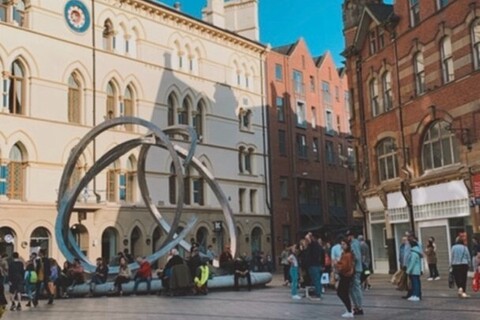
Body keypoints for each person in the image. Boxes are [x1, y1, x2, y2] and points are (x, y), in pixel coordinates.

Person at [346, 230, 364, 315]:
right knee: (353, 288)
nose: (347, 238)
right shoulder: (356, 243)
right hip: (356, 269)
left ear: (351, 236)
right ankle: (356, 306)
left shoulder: (354, 244)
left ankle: (359, 306)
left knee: (356, 288)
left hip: (355, 269)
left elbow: (357, 257)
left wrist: (350, 261)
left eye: (348, 236)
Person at [336, 237, 355, 318]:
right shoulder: (346, 254)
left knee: (341, 292)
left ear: (347, 245)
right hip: (346, 275)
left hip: (345, 275)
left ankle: (349, 310)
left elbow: (344, 266)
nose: (342, 246)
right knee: (343, 292)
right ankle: (349, 309)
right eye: (341, 244)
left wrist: (336, 264)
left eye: (344, 244)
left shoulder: (347, 255)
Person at [304, 233, 323, 300]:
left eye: (307, 239)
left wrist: (308, 236)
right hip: (314, 265)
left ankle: (318, 294)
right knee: (316, 280)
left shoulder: (314, 244)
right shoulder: (316, 245)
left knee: (316, 280)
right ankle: (317, 293)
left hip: (313, 265)